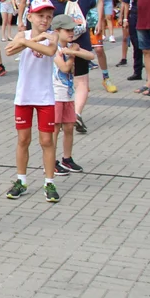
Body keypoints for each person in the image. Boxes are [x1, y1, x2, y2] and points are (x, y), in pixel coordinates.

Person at [4, 0, 63, 203]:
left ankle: (49, 181)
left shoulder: (53, 36)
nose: (44, 20)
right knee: (23, 139)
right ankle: (21, 180)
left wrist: (26, 43)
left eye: (48, 16)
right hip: (24, 96)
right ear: (29, 17)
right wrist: (29, 40)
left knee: (47, 140)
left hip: (45, 97)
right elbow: (10, 49)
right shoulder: (24, 34)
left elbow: (50, 51)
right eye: (40, 16)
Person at [39, 0, 97, 135]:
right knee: (82, 82)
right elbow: (93, 5)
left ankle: (57, 112)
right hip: (79, 42)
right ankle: (76, 113)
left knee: (55, 78)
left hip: (55, 41)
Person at [51, 15, 93, 177]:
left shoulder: (70, 46)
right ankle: (51, 161)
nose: (71, 33)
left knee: (69, 127)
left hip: (68, 95)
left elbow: (91, 56)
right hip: (54, 95)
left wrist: (72, 50)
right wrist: (72, 54)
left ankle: (67, 158)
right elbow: (64, 68)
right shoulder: (53, 48)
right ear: (57, 31)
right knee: (54, 129)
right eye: (67, 30)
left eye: (72, 30)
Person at [75, 0, 117, 95]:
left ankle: (106, 77)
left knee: (98, 50)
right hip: (79, 21)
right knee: (80, 52)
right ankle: (82, 81)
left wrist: (101, 21)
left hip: (94, 20)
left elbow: (100, 1)